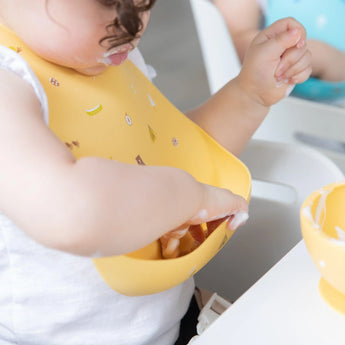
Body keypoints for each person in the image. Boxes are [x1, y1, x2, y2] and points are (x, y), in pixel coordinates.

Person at [0, 1, 311, 344]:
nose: (132, 24)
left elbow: (171, 152)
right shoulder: (8, 84)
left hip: (175, 320)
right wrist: (188, 197)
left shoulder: (104, 53)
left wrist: (249, 95)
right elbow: (69, 211)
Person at [214, 0, 345, 105]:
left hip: (331, 111)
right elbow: (228, 45)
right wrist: (291, 48)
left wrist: (329, 59)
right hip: (263, 110)